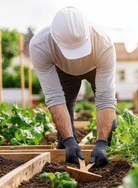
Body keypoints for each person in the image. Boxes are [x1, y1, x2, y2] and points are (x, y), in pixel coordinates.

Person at [29, 7, 117, 167]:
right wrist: (69, 140)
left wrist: (102, 143)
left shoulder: (103, 43)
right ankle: (67, 145)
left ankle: (106, 148)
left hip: (95, 67)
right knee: (64, 137)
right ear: (55, 38)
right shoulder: (40, 45)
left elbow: (105, 98)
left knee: (110, 126)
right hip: (62, 70)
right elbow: (55, 97)